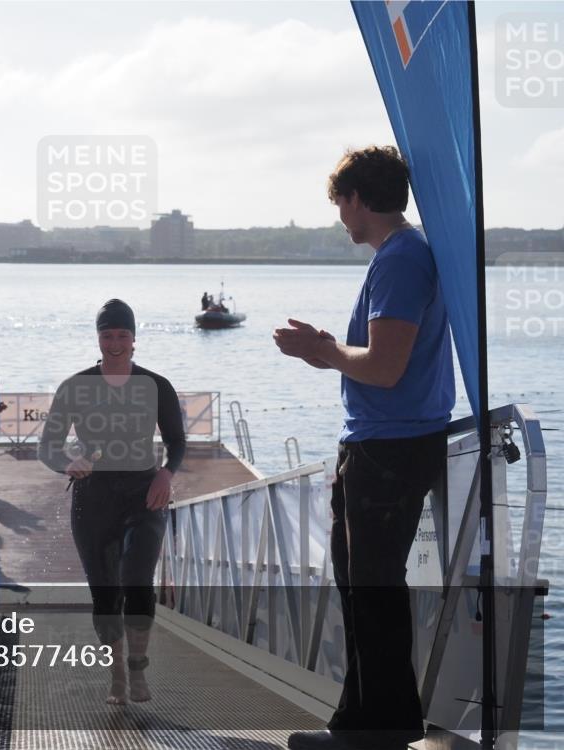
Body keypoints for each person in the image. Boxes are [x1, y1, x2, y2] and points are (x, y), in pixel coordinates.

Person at [273, 146, 454, 750]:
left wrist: (318, 352)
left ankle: (378, 730)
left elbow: (383, 367)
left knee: (372, 589)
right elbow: (384, 362)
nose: (340, 219)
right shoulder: (402, 255)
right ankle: (361, 723)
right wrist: (327, 346)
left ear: (358, 198)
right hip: (385, 444)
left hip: (390, 449)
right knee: (362, 587)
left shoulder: (401, 259)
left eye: (341, 206)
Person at [38, 298, 186, 706]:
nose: (115, 342)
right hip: (93, 499)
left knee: (138, 581)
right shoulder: (76, 386)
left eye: (122, 335)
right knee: (105, 595)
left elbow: (176, 441)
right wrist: (69, 462)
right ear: (99, 338)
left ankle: (138, 667)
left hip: (144, 494)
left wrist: (166, 473)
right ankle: (116, 672)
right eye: (108, 335)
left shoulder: (156, 386)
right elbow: (48, 446)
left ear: (134, 339)